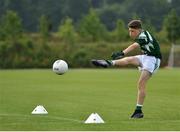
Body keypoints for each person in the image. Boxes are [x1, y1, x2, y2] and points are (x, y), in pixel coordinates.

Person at [91, 20, 162, 119]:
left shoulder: (144, 35)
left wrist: (122, 53)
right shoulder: (142, 35)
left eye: (132, 31)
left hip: (153, 60)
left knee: (141, 83)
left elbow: (134, 46)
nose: (130, 33)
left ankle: (138, 111)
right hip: (146, 57)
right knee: (130, 60)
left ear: (139, 30)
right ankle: (108, 63)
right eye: (129, 31)